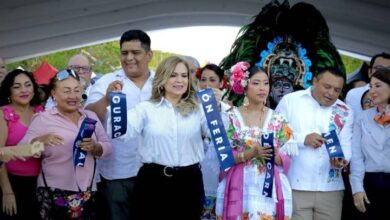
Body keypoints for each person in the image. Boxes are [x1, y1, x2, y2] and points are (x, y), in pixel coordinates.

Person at [105, 55, 210, 219]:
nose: (179, 80)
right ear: (162, 77)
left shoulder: (199, 109)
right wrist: (116, 103)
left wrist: (217, 109)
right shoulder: (146, 109)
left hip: (189, 182)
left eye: (184, 76)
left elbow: (216, 133)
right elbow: (120, 132)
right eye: (173, 75)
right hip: (153, 182)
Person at [18, 69, 112, 219]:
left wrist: (96, 147)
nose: (72, 96)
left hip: (88, 190)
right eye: (66, 91)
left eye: (76, 90)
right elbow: (21, 152)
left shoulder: (90, 116)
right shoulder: (43, 119)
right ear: (54, 94)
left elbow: (107, 146)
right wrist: (39, 141)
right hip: (54, 190)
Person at [85, 29, 154, 220]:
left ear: (149, 55)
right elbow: (88, 117)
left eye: (135, 53)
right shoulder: (106, 81)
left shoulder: (162, 82)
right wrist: (106, 100)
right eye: (124, 53)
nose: (129, 58)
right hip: (117, 173)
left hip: (155, 171)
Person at [215, 61, 296, 220]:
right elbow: (223, 156)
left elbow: (287, 158)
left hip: (270, 187)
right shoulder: (230, 117)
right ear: (244, 86)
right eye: (256, 83)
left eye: (266, 83)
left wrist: (273, 155)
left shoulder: (278, 119)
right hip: (240, 184)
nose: (263, 88)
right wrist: (250, 153)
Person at [276, 67, 354, 220]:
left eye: (337, 90)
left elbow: (346, 145)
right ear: (315, 81)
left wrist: (342, 161)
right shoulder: (291, 101)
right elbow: (275, 136)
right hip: (295, 185)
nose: (331, 93)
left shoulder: (345, 111)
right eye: (327, 87)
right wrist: (302, 139)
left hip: (330, 189)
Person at [0, 69, 43, 219]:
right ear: (9, 91)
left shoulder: (41, 112)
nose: (24, 90)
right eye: (17, 87)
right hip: (13, 183)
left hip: (41, 183)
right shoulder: (3, 114)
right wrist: (7, 192)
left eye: (27, 85)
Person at [349, 68, 390, 219]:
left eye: (378, 86)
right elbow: (357, 156)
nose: (372, 91)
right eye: (371, 86)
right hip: (369, 185)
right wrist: (357, 188)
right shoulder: (362, 118)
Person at [196, 63, 226, 219]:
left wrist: (218, 107)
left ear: (221, 83)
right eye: (203, 79)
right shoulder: (190, 107)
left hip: (218, 170)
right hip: (196, 170)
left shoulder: (229, 109)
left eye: (212, 80)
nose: (206, 84)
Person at [346, 52, 390, 118]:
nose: (383, 73)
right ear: (369, 72)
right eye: (378, 68)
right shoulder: (354, 94)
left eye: (388, 70)